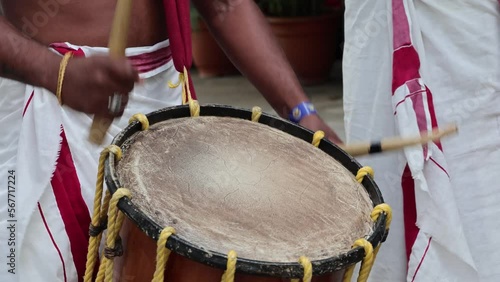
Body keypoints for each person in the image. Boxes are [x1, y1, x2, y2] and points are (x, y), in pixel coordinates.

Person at [0, 1, 341, 281]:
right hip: (51, 101)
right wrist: (55, 73)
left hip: (165, 104)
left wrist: (302, 112)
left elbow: (225, 6)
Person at [343, 0, 500, 281]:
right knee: (383, 207)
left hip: (470, 52)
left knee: (482, 222)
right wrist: (300, 110)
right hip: (375, 39)